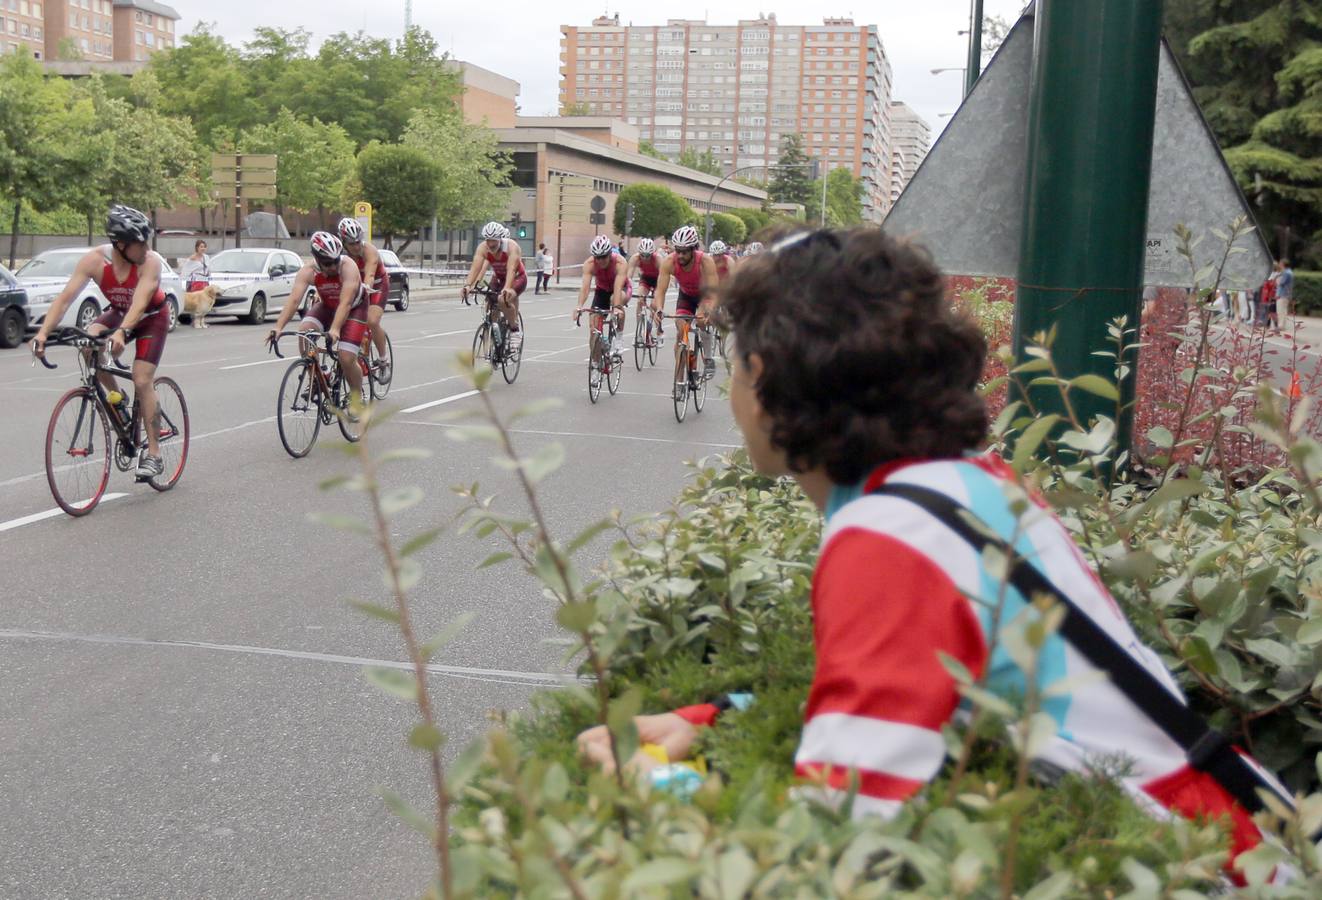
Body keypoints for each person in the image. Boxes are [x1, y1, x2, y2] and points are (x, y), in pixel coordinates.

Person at [578, 225, 1288, 879]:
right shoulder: (958, 487)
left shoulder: (887, 541)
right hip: (1227, 833)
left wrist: (657, 795)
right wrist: (713, 719)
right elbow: (898, 699)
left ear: (762, 379)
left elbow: (842, 842)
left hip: (1191, 865)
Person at [31, 205, 170, 480]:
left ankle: (154, 454)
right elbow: (65, 298)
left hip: (151, 316)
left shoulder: (150, 262)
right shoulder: (94, 261)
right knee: (88, 342)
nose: (146, 248)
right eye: (140, 243)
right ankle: (117, 399)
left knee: (142, 379)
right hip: (119, 311)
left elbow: (140, 303)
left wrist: (121, 333)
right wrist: (43, 333)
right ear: (120, 245)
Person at [266, 232, 367, 414]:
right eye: (328, 263)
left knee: (345, 357)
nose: (333, 266)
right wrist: (278, 327)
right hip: (328, 306)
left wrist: (335, 329)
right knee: (304, 331)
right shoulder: (307, 271)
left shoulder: (348, 266)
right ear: (317, 260)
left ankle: (357, 396)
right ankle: (317, 377)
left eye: (336, 261)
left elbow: (345, 302)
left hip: (354, 309)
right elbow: (294, 301)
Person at [652, 225, 717, 384]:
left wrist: (711, 309)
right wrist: (659, 308)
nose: (680, 255)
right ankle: (680, 378)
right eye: (677, 250)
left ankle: (708, 358)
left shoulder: (705, 261)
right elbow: (660, 290)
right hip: (686, 296)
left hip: (704, 295)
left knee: (701, 320)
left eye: (684, 251)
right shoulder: (669, 261)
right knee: (681, 330)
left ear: (693, 249)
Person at [337, 217, 391, 385]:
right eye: (352, 243)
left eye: (358, 241)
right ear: (343, 243)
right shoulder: (340, 255)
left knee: (372, 321)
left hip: (376, 285)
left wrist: (366, 287)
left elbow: (370, 274)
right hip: (355, 286)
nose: (356, 246)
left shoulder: (369, 251)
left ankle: (383, 361)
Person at [461, 222, 527, 351]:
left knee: (503, 299)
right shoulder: (482, 247)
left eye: (494, 242)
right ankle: (491, 343)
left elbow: (511, 270)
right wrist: (468, 286)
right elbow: (476, 267)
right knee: (490, 304)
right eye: (488, 241)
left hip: (517, 278)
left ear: (501, 239)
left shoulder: (512, 247)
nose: (490, 245)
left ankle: (514, 329)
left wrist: (507, 289)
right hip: (499, 278)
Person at [573, 234, 631, 369]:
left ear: (610, 253)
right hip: (602, 291)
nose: (601, 261)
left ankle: (619, 338)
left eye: (604, 257)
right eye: (597, 257)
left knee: (614, 301)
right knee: (593, 328)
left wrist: (616, 307)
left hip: (621, 289)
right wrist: (579, 306)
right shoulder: (589, 264)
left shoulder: (620, 262)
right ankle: (595, 362)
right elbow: (585, 288)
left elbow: (617, 287)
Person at [626, 237, 664, 338]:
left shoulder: (658, 259)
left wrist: (658, 294)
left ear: (652, 253)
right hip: (646, 279)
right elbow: (629, 275)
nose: (645, 258)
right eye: (642, 255)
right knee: (640, 300)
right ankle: (639, 329)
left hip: (658, 280)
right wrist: (627, 287)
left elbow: (663, 278)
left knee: (655, 305)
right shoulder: (635, 258)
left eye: (648, 256)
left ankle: (659, 330)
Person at [1276, 258, 1294, 330]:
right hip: (1285, 294)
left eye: (1280, 263)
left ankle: (1281, 326)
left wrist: (1277, 280)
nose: (1279, 265)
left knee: (1281, 310)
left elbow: (1281, 283)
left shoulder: (1286, 273)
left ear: (1283, 264)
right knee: (1283, 310)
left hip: (1283, 294)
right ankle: (1281, 325)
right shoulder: (1289, 272)